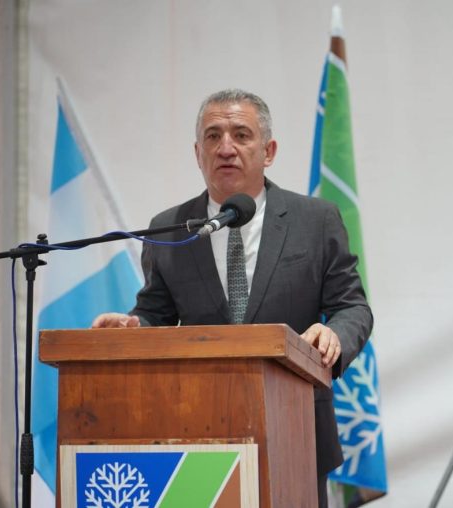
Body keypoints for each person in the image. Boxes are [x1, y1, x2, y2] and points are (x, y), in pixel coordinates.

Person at [92, 89, 372, 507]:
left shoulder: (315, 220)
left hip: (296, 426)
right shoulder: (170, 227)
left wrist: (335, 336)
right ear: (198, 153)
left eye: (241, 135)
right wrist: (135, 326)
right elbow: (155, 314)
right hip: (197, 429)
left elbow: (352, 306)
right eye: (213, 136)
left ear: (268, 151)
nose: (226, 148)